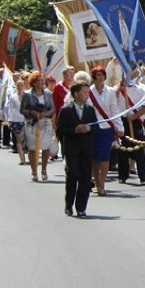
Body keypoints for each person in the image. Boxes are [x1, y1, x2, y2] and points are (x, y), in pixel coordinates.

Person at [59, 82, 97, 218]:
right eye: (85, 92)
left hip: (86, 149)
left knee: (85, 178)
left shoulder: (90, 110)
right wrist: (74, 130)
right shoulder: (66, 110)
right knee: (73, 175)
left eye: (88, 92)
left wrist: (90, 129)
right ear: (76, 94)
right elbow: (60, 130)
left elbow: (95, 127)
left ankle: (81, 207)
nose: (87, 95)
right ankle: (69, 204)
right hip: (72, 149)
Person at [86, 66, 122, 196]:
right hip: (93, 128)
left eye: (102, 75)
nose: (100, 77)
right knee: (94, 158)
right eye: (97, 75)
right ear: (93, 77)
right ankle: (96, 182)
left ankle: (102, 183)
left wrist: (120, 127)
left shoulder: (111, 91)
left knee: (104, 157)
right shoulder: (88, 91)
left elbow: (114, 110)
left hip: (106, 128)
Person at [116, 74, 145, 185]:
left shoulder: (140, 89)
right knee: (122, 149)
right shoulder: (116, 89)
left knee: (139, 148)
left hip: (135, 121)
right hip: (122, 120)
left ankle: (143, 174)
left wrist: (134, 117)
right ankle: (122, 175)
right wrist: (119, 89)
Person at [21, 71, 55, 182]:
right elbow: (23, 109)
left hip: (45, 123)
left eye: (42, 80)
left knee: (45, 147)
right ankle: (34, 171)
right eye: (39, 81)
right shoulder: (27, 94)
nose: (41, 82)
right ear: (34, 83)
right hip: (32, 123)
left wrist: (46, 114)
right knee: (32, 148)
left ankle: (44, 169)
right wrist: (33, 113)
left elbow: (52, 109)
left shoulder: (48, 94)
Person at [5, 78, 28, 165]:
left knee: (26, 139)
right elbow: (9, 109)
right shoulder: (13, 96)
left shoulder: (27, 96)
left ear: (24, 86)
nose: (19, 87)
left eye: (21, 85)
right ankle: (22, 159)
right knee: (19, 139)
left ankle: (26, 154)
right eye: (18, 85)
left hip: (25, 119)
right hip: (15, 120)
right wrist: (9, 120)